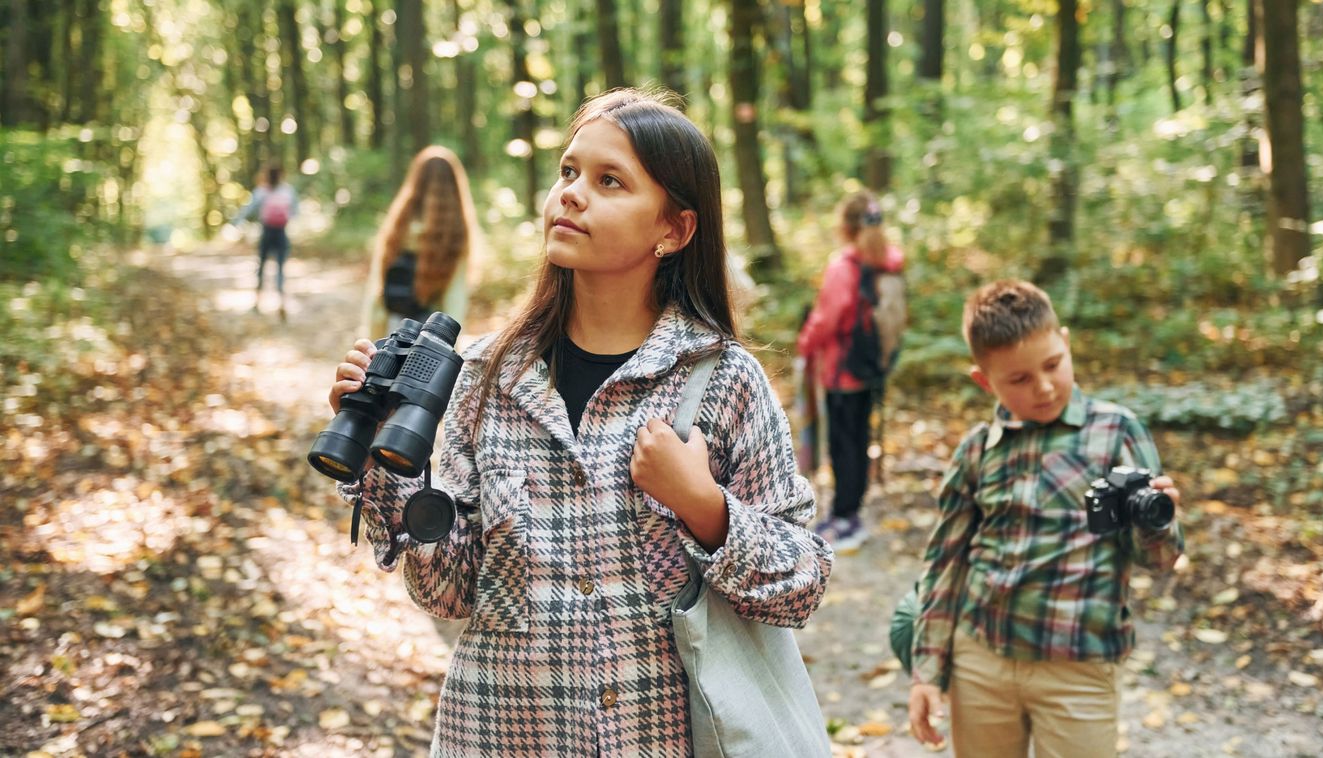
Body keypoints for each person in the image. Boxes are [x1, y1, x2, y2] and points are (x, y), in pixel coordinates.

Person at [325, 88, 833, 755]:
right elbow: (447, 591)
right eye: (567, 172)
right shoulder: (483, 376)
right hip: (503, 734)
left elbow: (801, 585)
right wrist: (385, 466)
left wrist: (703, 507)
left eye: (608, 181)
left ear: (673, 229)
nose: (570, 194)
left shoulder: (723, 380)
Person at [906, 280, 1185, 757]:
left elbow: (1160, 560)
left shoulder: (1116, 431)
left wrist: (1156, 521)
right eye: (1018, 379)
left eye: (1054, 364)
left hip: (1079, 665)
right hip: (982, 664)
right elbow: (944, 562)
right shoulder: (977, 450)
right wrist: (927, 671)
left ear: (1067, 343)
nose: (1044, 386)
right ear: (984, 381)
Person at [795, 191, 905, 550]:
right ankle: (852, 510)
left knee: (843, 444)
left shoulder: (845, 267)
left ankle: (845, 517)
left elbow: (828, 317)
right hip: (870, 368)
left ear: (845, 227)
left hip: (841, 371)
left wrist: (806, 344)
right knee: (859, 440)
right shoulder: (885, 261)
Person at [360, 145, 477, 338]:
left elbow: (377, 291)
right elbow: (454, 300)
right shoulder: (456, 233)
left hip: (393, 330)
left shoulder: (398, 226)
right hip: (431, 337)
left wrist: (372, 341)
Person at [233, 164, 299, 319]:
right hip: (281, 232)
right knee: (280, 268)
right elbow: (295, 211)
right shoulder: (288, 191)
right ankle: (281, 303)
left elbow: (248, 209)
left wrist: (236, 222)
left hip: (267, 231)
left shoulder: (262, 191)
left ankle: (257, 303)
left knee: (262, 266)